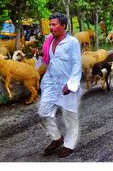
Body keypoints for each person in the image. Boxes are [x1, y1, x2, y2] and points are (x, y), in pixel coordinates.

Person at [38, 12, 82, 158]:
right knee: (43, 113)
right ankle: (57, 138)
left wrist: (71, 84)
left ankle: (69, 144)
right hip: (51, 82)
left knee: (69, 116)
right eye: (50, 24)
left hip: (66, 84)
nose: (51, 27)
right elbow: (47, 59)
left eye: (54, 24)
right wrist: (39, 55)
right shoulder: (49, 40)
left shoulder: (72, 42)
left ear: (63, 26)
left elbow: (77, 64)